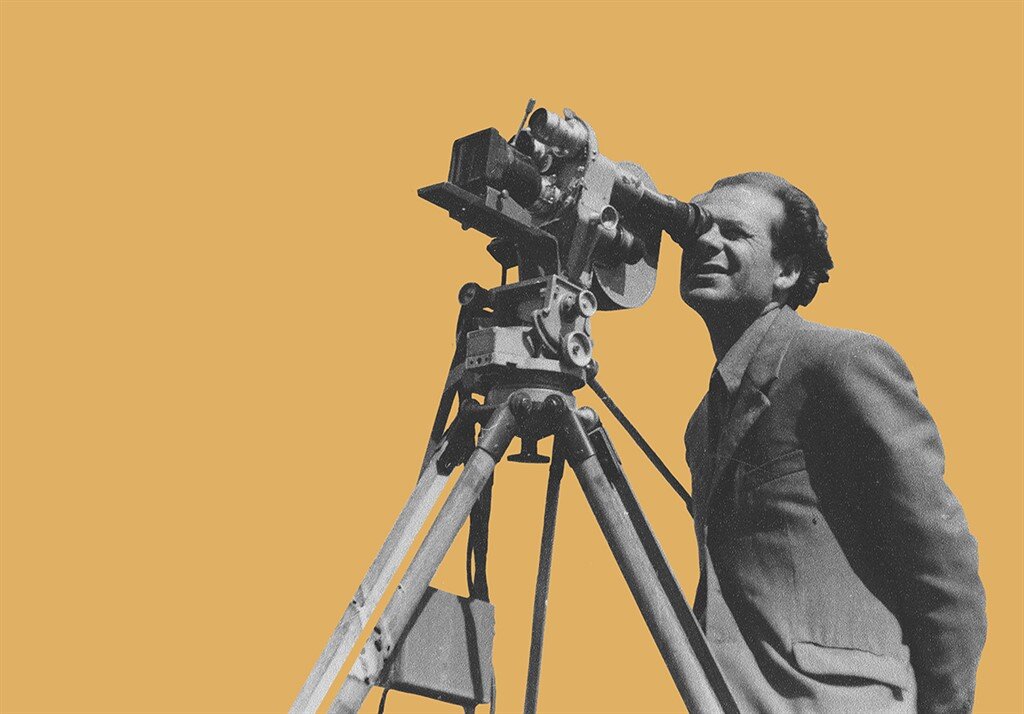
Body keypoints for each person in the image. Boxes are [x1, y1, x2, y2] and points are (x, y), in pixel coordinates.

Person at [680, 172, 986, 713]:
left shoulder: (840, 363)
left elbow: (941, 560)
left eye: (734, 232)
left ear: (787, 270)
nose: (705, 241)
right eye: (697, 227)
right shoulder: (703, 420)